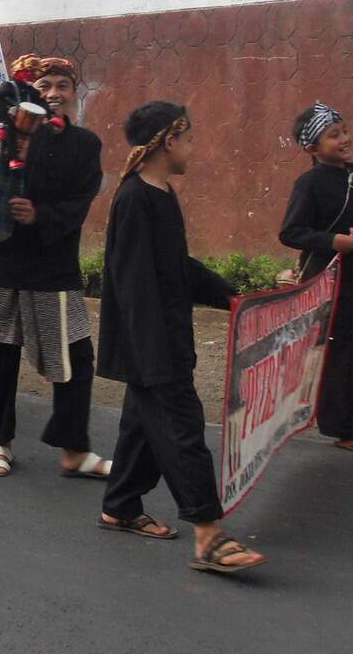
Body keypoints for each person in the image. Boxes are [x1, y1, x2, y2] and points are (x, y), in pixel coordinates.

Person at [97, 101, 266, 574]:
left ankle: (121, 505)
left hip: (165, 342)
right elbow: (131, 286)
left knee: (142, 429)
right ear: (169, 141)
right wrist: (154, 361)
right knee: (183, 432)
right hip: (152, 346)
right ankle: (209, 534)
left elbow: (177, 267)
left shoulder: (162, 195)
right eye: (189, 138)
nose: (194, 147)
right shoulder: (134, 199)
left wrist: (232, 297)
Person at [0, 54, 109, 479]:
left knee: (76, 358)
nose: (54, 95)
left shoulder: (85, 144)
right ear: (32, 93)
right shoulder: (4, 134)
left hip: (51, 265)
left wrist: (40, 215)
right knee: (0, 360)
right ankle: (1, 441)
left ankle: (74, 449)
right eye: (45, 87)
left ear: (73, 93)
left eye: (62, 85)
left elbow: (81, 201)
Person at [279, 101, 353, 457]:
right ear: (313, 148)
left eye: (343, 131)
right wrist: (332, 241)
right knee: (348, 350)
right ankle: (346, 428)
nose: (344, 138)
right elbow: (291, 231)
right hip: (329, 282)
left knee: (351, 347)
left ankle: (341, 422)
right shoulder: (309, 184)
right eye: (333, 135)